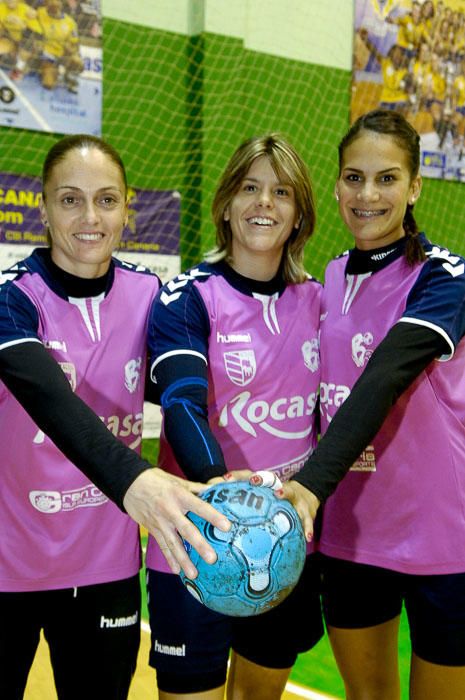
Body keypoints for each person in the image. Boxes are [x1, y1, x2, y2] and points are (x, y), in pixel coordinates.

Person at [0, 133, 230, 700]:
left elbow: (182, 397)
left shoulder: (150, 294)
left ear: (127, 208)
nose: (89, 217)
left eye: (106, 200)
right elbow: (51, 403)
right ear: (45, 206)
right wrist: (139, 480)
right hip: (10, 567)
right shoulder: (11, 299)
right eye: (70, 199)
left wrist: (219, 476)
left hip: (107, 569)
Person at [280, 109, 465, 699]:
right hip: (352, 537)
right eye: (354, 177)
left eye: (387, 179)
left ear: (414, 187)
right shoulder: (323, 281)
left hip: (444, 537)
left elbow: (386, 374)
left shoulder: (446, 277)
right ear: (336, 184)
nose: (368, 194)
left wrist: (310, 483)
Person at [146, 133, 324, 699]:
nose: (264, 203)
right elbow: (180, 403)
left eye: (280, 192)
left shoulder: (317, 300)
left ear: (298, 214)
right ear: (225, 204)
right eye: (250, 188)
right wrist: (225, 494)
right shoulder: (189, 297)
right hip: (198, 541)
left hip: (282, 543)